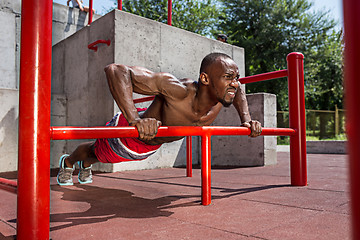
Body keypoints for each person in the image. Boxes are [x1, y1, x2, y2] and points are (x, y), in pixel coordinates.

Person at [57, 52, 262, 186]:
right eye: (228, 77)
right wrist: (134, 119)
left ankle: (85, 165)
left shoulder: (222, 95)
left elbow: (240, 92)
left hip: (150, 146)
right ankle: (68, 163)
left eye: (236, 78)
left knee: (98, 157)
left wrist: (246, 119)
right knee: (95, 152)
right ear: (205, 79)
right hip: (130, 135)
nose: (234, 84)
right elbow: (116, 70)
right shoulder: (177, 90)